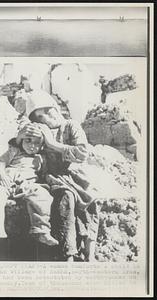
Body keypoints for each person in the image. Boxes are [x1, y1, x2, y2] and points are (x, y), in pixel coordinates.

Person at [14, 90, 101, 262]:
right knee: (65, 197)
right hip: (52, 177)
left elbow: (82, 153)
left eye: (48, 110)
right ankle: (68, 252)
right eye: (40, 116)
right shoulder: (41, 130)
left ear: (55, 107)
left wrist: (53, 144)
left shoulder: (71, 125)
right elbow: (23, 148)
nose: (47, 116)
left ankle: (89, 252)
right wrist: (20, 136)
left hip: (75, 175)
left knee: (91, 202)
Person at [0, 124, 58, 258]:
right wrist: (1, 175)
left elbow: (44, 174)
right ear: (21, 140)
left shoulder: (41, 158)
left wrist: (48, 180)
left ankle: (42, 230)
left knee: (43, 195)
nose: (31, 145)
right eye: (28, 140)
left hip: (27, 184)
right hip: (7, 181)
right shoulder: (13, 151)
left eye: (36, 143)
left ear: (42, 146)